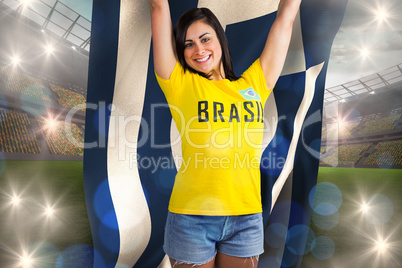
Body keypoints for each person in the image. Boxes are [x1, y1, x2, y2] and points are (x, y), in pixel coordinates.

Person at [148, 0, 301, 267]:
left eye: (205, 39)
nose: (199, 49)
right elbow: (159, 7)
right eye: (189, 44)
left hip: (246, 218)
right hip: (190, 219)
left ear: (220, 38)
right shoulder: (179, 83)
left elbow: (286, 17)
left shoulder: (254, 83)